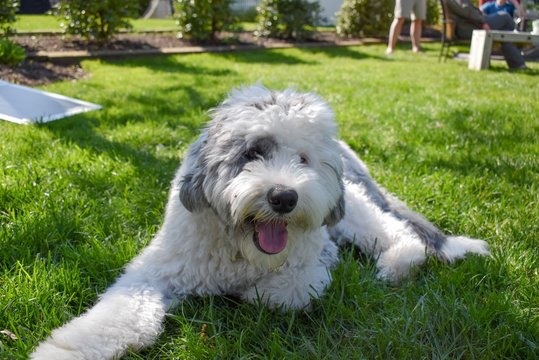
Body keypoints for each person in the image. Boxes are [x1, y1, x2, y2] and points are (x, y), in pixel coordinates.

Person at [446, 0, 527, 69]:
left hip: (473, 24)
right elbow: (468, 11)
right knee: (504, 16)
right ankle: (523, 40)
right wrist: (482, 22)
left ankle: (519, 64)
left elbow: (468, 12)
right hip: (471, 28)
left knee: (504, 31)